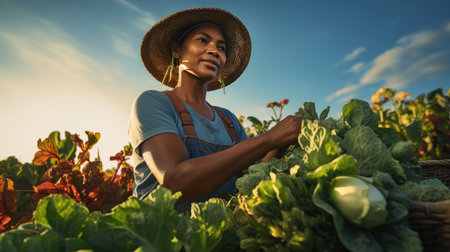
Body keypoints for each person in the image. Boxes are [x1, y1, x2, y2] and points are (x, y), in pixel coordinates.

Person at [129, 7, 302, 211]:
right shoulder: (153, 103)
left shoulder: (228, 119)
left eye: (221, 48)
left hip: (216, 238)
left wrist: (278, 144)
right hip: (160, 237)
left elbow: (248, 179)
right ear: (177, 49)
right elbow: (174, 179)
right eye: (203, 40)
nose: (214, 51)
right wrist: (268, 139)